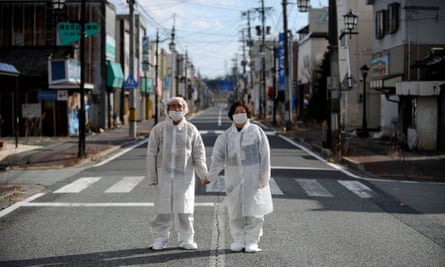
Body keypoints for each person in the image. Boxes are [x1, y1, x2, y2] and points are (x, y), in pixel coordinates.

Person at [201, 101, 273, 253]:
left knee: (255, 212)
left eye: (242, 111)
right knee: (235, 211)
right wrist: (210, 176)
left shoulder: (257, 132)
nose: (239, 114)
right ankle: (239, 239)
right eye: (236, 112)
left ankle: (252, 241)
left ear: (247, 113)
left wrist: (264, 177)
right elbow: (218, 158)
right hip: (233, 178)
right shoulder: (226, 136)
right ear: (232, 115)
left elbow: (265, 156)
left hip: (254, 178)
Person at [146, 96, 208, 250]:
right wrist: (153, 177)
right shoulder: (159, 129)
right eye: (172, 106)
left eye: (179, 106)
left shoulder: (191, 130)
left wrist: (204, 175)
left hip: (184, 176)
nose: (176, 109)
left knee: (185, 210)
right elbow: (151, 154)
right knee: (161, 209)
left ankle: (187, 238)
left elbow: (198, 155)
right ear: (167, 110)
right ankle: (159, 238)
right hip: (163, 176)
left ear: (184, 109)